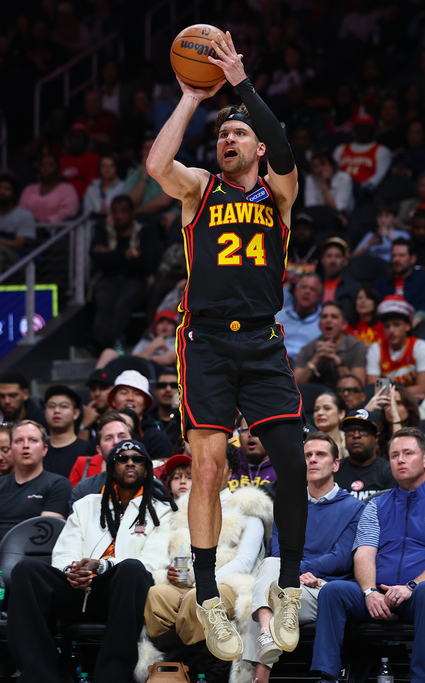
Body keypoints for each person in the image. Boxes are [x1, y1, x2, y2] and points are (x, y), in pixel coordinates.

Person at [146, 29, 308, 662]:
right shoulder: (199, 191)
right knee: (208, 467)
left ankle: (289, 586)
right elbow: (157, 166)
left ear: (260, 147)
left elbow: (287, 146)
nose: (228, 139)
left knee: (290, 465)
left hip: (264, 344)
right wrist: (190, 98)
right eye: (223, 135)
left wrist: (238, 80)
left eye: (239, 133)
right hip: (205, 344)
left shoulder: (279, 195)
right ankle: (210, 596)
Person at [6, 438, 176, 680]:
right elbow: (64, 552)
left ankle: (112, 676)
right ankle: (39, 675)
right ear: (110, 467)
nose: (130, 463)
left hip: (121, 595)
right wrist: (72, 571)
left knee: (133, 568)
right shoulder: (86, 505)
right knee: (27, 570)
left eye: (137, 459)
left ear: (147, 469)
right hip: (76, 588)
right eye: (122, 459)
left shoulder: (162, 510)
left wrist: (103, 565)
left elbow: (154, 561)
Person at [310, 427, 425, 683]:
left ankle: (422, 678)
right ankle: (327, 676)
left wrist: (411, 586)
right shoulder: (376, 505)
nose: (400, 460)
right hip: (379, 594)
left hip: (421, 596)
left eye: (408, 453)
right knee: (333, 591)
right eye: (394, 455)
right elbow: (363, 554)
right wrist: (369, 592)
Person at [243, 432, 365, 683]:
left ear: (335, 464)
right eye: (307, 455)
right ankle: (266, 640)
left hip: (323, 590)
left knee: (265, 591)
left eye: (320, 455)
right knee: (269, 568)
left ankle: (260, 673)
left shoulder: (354, 507)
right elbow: (277, 553)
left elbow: (341, 558)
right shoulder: (286, 503)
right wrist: (295, 573)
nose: (312, 460)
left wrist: (298, 571)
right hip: (288, 584)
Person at [142, 444, 273, 667]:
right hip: (188, 584)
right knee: (156, 596)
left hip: (232, 584)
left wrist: (204, 583)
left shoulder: (249, 507)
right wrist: (172, 572)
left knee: (199, 600)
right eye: (202, 466)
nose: (208, 471)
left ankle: (189, 662)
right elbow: (170, 554)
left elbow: (244, 562)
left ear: (230, 473)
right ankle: (180, 661)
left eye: (216, 466)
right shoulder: (183, 509)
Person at [0, 420, 71, 546]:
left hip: (33, 556)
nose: (25, 445)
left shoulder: (58, 484)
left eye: (33, 440)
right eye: (19, 441)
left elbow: (44, 536)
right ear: (11, 448)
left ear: (44, 449)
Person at [90, 194, 162, 350]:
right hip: (108, 278)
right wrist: (126, 255)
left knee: (125, 300)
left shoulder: (145, 231)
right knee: (104, 299)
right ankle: (106, 341)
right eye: (115, 212)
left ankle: (106, 343)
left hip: (136, 280)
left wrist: (111, 255)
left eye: (123, 212)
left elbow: (149, 263)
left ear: (132, 212)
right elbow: (99, 261)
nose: (119, 216)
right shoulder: (104, 231)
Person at [365, 296, 425, 399]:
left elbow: (422, 388)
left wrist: (388, 392)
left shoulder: (420, 346)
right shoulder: (376, 349)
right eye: (387, 326)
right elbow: (374, 387)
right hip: (390, 403)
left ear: (407, 326)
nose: (391, 330)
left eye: (396, 325)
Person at [372, 239, 425, 327]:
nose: (396, 259)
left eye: (401, 256)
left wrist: (409, 327)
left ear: (413, 259)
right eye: (394, 256)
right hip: (385, 329)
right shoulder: (380, 283)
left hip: (417, 328)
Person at [294, 302, 367, 387]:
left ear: (344, 325)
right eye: (324, 317)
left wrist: (337, 361)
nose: (328, 320)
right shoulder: (308, 349)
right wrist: (315, 360)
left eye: (334, 317)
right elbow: (296, 384)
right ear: (319, 325)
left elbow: (359, 386)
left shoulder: (356, 347)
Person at [107, 370, 173, 461]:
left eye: (137, 394)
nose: (130, 398)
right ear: (113, 400)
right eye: (124, 392)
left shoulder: (158, 439)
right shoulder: (103, 434)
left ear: (146, 402)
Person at [336, 409, 397, 502]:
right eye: (350, 430)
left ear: (376, 437)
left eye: (363, 430)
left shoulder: (390, 472)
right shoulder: (335, 471)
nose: (356, 435)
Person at [333, 108, 391, 194]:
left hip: (364, 194)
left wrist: (359, 189)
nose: (362, 131)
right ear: (353, 130)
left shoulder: (381, 151)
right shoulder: (340, 149)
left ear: (374, 131)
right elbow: (333, 173)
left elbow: (378, 177)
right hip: (339, 191)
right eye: (359, 128)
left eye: (366, 128)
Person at [41, 385, 92, 479]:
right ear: (45, 412)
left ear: (76, 413)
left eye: (64, 406)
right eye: (51, 406)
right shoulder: (39, 451)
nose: (56, 411)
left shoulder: (88, 450)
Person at [18, 153, 80, 224]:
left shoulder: (68, 189)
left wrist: (48, 222)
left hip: (58, 231)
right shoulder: (29, 189)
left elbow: (68, 211)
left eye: (51, 165)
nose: (46, 168)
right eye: (43, 165)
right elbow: (21, 211)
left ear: (58, 169)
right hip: (28, 230)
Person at [275, 274, 324, 361]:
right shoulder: (278, 316)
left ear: (319, 296)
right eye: (304, 287)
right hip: (279, 364)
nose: (307, 292)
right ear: (296, 291)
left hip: (308, 367)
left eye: (312, 289)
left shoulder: (324, 321)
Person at [318, 237, 361, 315]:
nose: (333, 260)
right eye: (329, 256)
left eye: (338, 256)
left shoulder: (354, 288)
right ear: (322, 260)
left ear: (345, 261)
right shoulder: (313, 285)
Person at [232, 417, 277, 490]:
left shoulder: (281, 466)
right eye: (245, 429)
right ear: (239, 435)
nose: (250, 434)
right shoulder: (228, 462)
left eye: (257, 428)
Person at [312, 392, 349, 461]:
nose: (320, 413)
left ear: (341, 414)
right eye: (316, 409)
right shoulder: (307, 444)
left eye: (327, 408)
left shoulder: (351, 443)